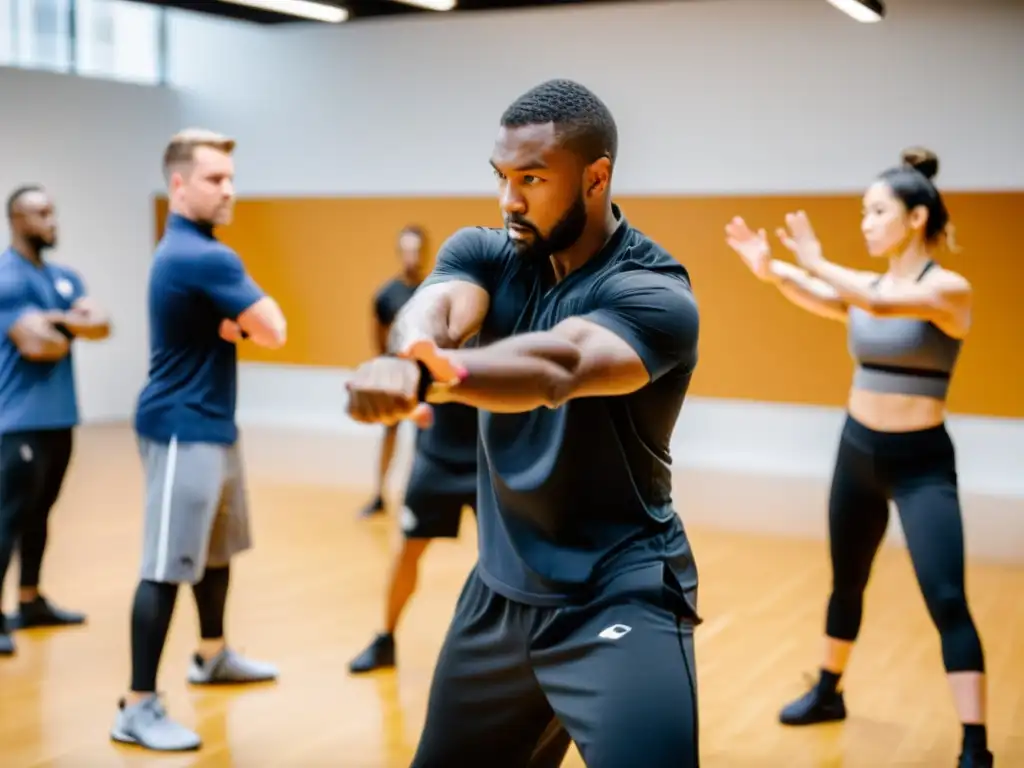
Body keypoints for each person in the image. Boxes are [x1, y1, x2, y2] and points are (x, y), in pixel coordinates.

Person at [344, 79, 702, 767]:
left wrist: (434, 374)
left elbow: (558, 367)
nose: (510, 200)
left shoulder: (655, 294)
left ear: (596, 178)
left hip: (617, 595)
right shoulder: (487, 252)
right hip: (498, 596)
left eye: (532, 178)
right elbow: (437, 310)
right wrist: (412, 349)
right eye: (502, 177)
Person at [725, 148, 992, 768]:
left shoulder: (949, 290)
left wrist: (815, 259)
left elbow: (874, 302)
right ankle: (827, 690)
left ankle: (975, 742)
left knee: (946, 596)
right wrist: (773, 271)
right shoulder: (867, 287)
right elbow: (829, 296)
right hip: (857, 453)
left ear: (916, 218)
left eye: (877, 212)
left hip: (921, 463)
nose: (866, 222)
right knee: (846, 581)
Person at [110, 129, 287, 753]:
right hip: (181, 425)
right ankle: (135, 705)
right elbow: (274, 329)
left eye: (231, 177)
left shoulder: (194, 250)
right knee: (164, 567)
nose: (229, 189)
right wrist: (241, 324)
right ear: (178, 185)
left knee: (216, 551)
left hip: (212, 422)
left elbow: (246, 329)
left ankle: (211, 656)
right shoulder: (202, 256)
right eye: (214, 179)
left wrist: (229, 324)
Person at [0, 185, 111, 656]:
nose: (52, 221)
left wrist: (59, 322)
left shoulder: (65, 276)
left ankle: (30, 600)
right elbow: (37, 345)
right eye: (41, 213)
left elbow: (102, 324)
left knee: (40, 513)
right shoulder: (7, 277)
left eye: (52, 212)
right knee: (8, 517)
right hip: (18, 419)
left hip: (60, 417)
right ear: (17, 220)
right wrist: (71, 324)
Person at [348, 399, 478, 673]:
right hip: (437, 459)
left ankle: (522, 648)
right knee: (408, 551)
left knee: (505, 557)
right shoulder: (425, 357)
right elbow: (404, 392)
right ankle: (386, 638)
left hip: (490, 462)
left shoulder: (500, 356)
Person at [357, 225, 429, 519]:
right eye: (407, 250)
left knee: (426, 440)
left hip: (427, 378)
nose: (411, 256)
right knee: (390, 434)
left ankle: (419, 496)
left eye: (416, 250)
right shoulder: (387, 294)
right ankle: (380, 495)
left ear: (424, 252)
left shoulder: (433, 291)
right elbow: (379, 336)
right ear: (400, 253)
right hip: (396, 379)